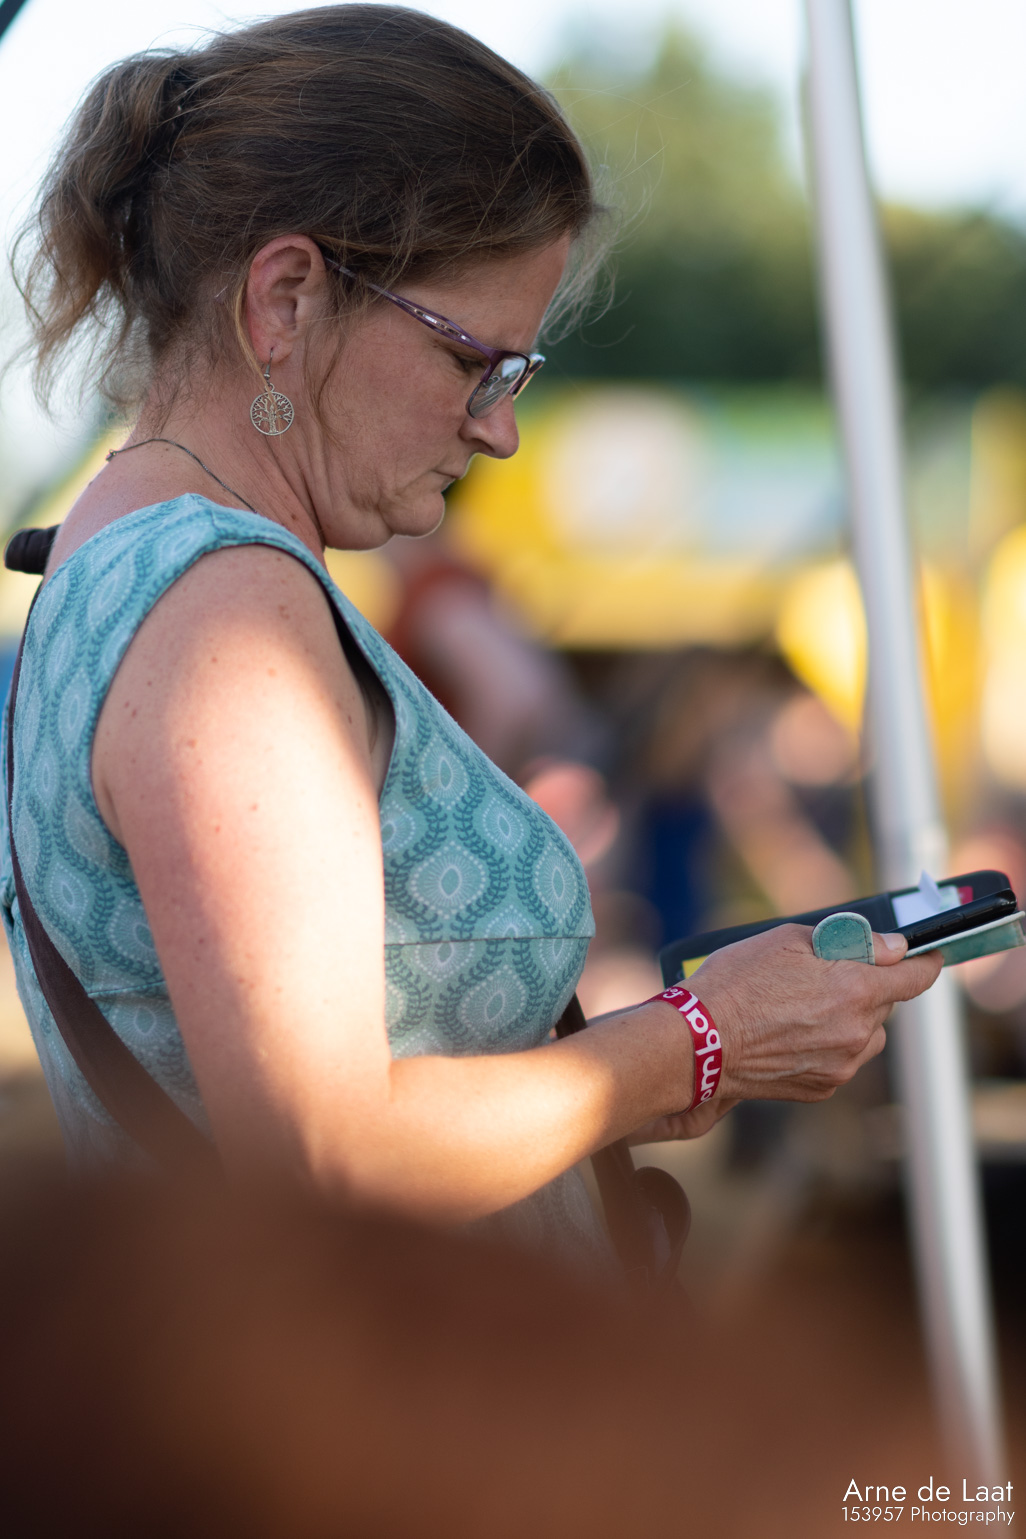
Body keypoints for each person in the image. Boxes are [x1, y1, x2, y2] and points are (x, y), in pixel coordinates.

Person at [2, 5, 941, 1262]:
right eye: (474, 364)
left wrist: (633, 1074)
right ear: (286, 299)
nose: (498, 430)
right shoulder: (222, 606)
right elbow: (327, 1157)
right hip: (371, 1387)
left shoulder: (118, 553)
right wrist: (695, 1040)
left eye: (516, 377)